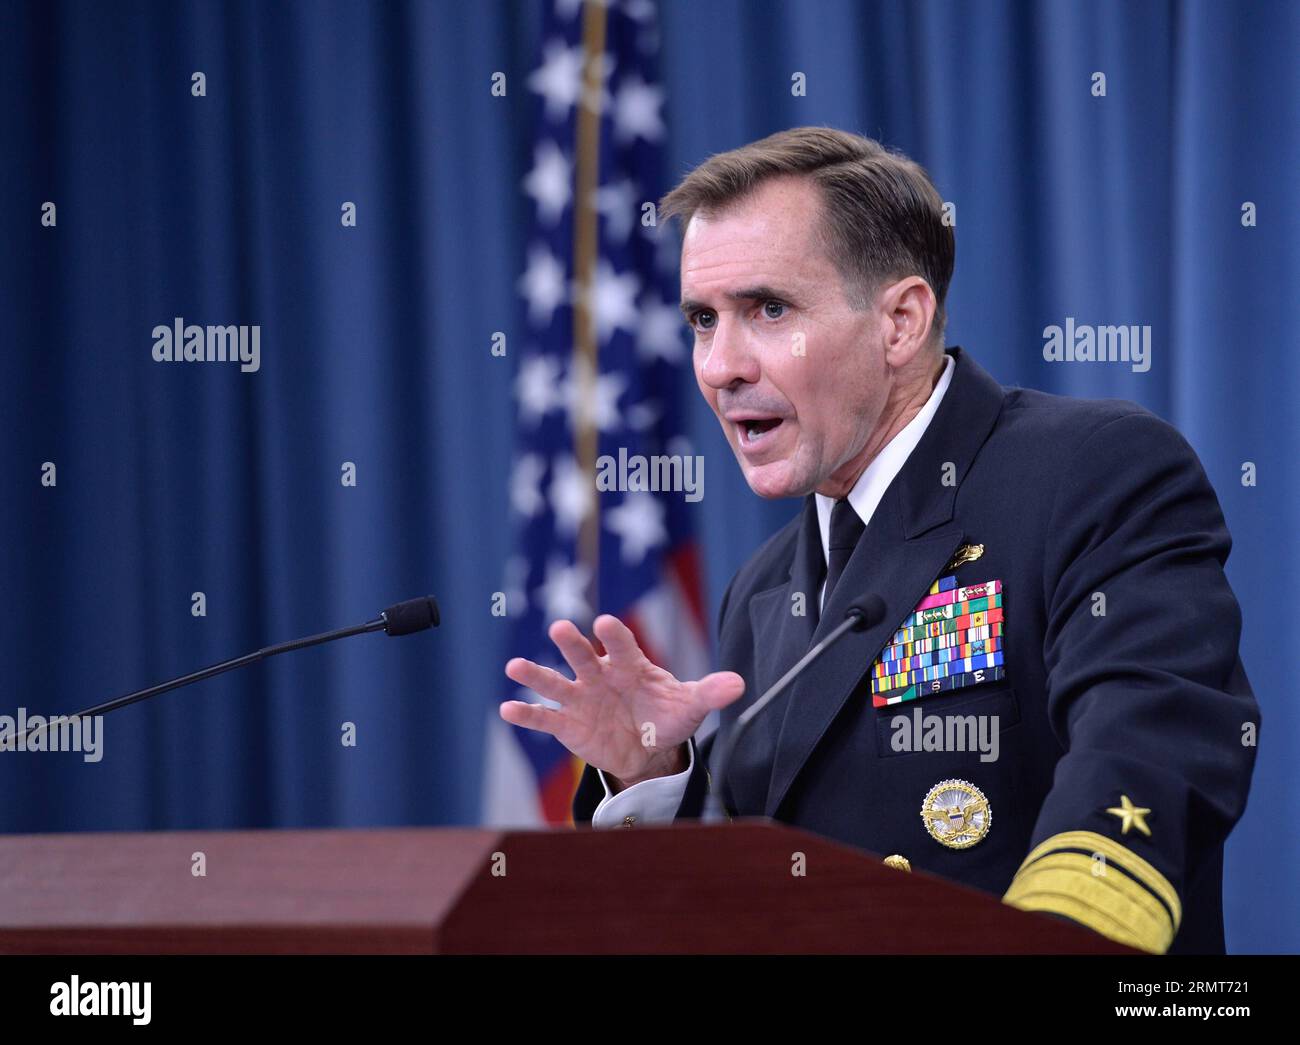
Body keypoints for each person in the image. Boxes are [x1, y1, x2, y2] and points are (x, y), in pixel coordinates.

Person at [501, 127, 1258, 954]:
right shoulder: (761, 592)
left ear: (900, 321)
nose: (719, 366)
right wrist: (654, 771)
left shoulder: (1090, 471)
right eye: (702, 319)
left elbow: (1149, 746)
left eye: (768, 309)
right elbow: (773, 879)